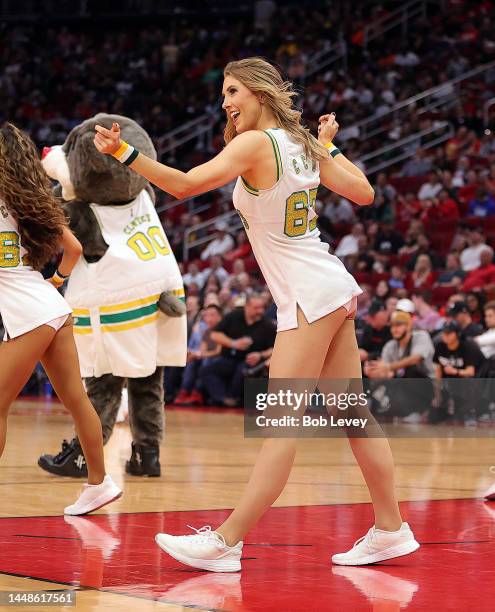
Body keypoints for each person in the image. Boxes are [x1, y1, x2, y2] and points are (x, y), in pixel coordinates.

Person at [94, 57, 419, 570]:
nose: (225, 102)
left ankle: (227, 541)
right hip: (328, 286)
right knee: (354, 415)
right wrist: (328, 142)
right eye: (223, 94)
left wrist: (124, 152)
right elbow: (364, 191)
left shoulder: (254, 144)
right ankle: (391, 528)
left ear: (260, 93)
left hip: (310, 295)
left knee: (282, 424)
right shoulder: (303, 143)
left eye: (233, 91)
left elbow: (181, 185)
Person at [0, 123, 121, 515]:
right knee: (77, 400)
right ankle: (99, 484)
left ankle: (99, 483)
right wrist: (57, 281)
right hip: (49, 306)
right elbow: (73, 247)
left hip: (28, 312)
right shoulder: (24, 199)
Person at [199, 295, 276, 406]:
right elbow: (215, 334)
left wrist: (260, 355)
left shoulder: (267, 324)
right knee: (206, 371)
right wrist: (233, 343)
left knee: (242, 370)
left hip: (251, 361)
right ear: (247, 307)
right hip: (229, 358)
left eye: (262, 308)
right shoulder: (233, 316)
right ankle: (222, 398)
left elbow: (275, 348)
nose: (260, 311)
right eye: (256, 308)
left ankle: (232, 398)